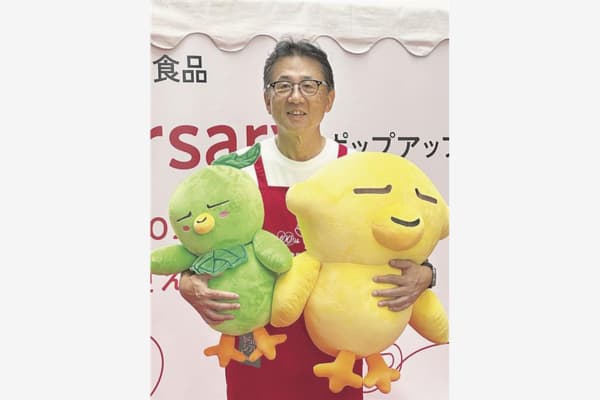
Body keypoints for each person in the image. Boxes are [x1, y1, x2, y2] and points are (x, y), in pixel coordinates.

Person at [179, 38, 436, 400]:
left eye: (309, 85)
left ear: (329, 98)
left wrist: (427, 274)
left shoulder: (359, 170)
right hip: (256, 343)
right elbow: (196, 244)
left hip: (338, 347)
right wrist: (188, 281)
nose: (296, 97)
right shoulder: (234, 172)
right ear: (267, 99)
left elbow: (404, 238)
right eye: (283, 85)